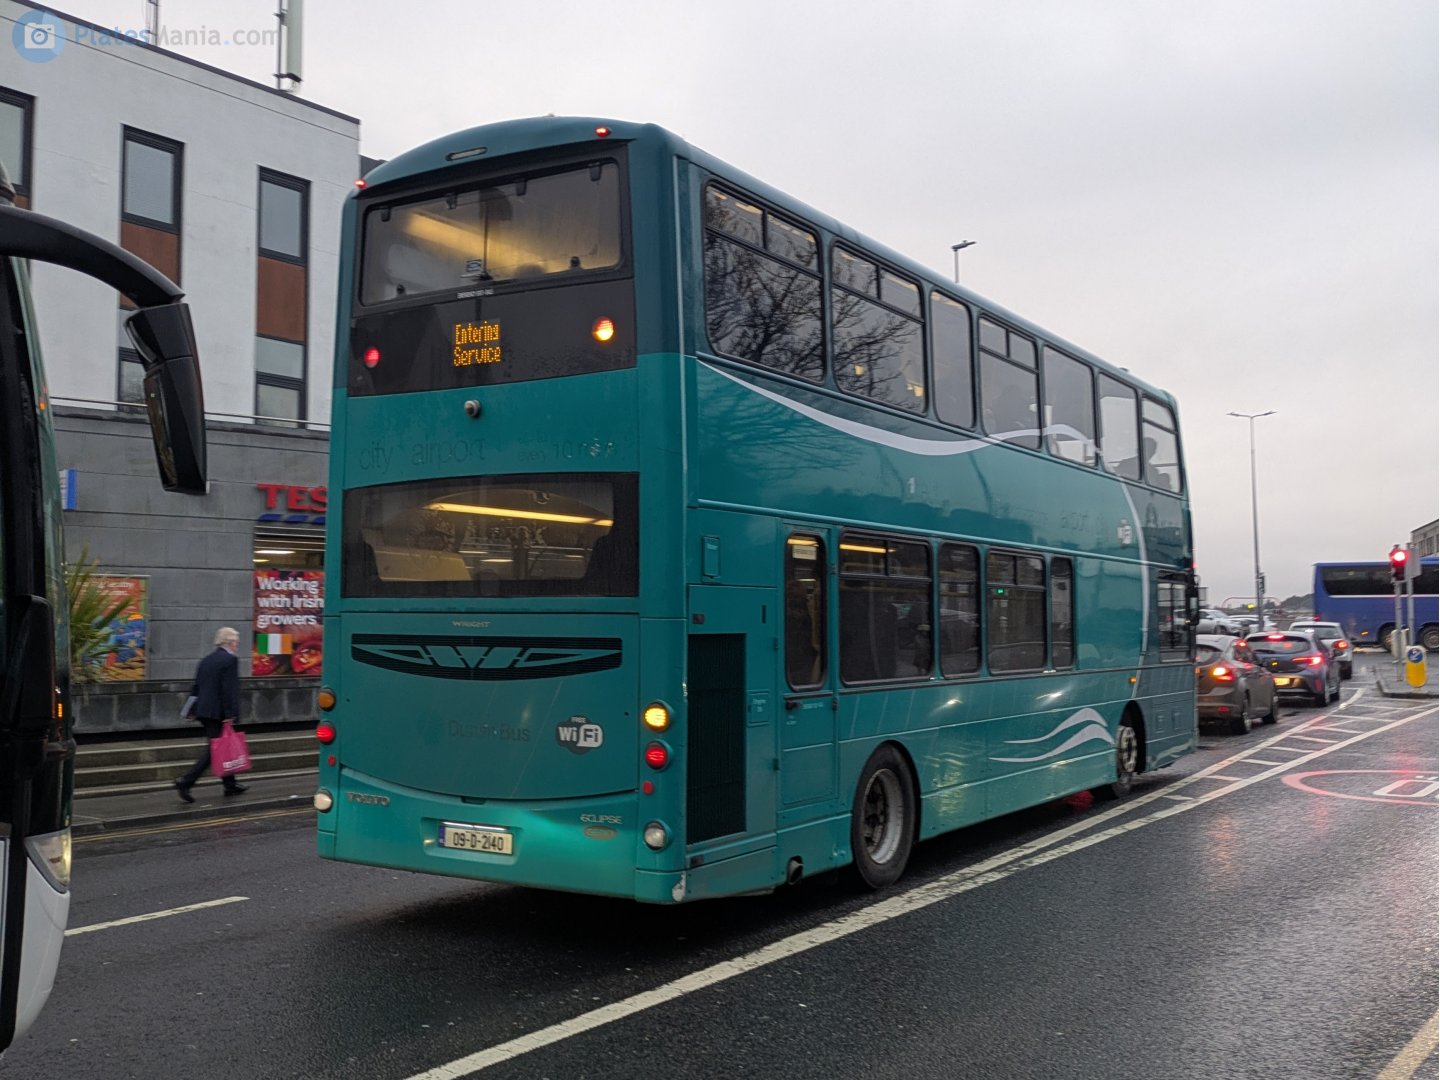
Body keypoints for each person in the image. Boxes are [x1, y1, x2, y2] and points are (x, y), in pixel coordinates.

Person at [175, 627, 247, 801]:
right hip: (218, 712)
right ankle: (186, 782)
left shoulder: (207, 660)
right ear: (230, 642)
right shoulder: (230, 660)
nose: (237, 645)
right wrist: (230, 714)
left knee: (221, 746)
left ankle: (230, 785)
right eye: (236, 641)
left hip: (204, 711)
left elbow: (197, 686)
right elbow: (228, 689)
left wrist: (192, 709)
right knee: (215, 750)